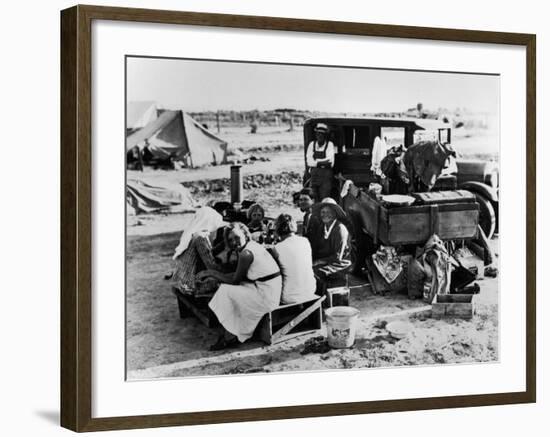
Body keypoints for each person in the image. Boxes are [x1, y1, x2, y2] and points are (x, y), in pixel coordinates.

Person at [199, 222, 282, 350]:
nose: (234, 242)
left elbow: (234, 280)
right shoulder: (252, 245)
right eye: (230, 240)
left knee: (225, 290)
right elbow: (241, 275)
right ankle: (233, 330)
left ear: (245, 234)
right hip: (267, 288)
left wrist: (210, 273)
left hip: (267, 295)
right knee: (229, 288)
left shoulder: (246, 254)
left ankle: (230, 336)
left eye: (237, 237)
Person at [171, 207, 228, 295]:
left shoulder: (193, 233)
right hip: (189, 285)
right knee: (226, 285)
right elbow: (211, 266)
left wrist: (223, 243)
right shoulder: (201, 237)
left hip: (180, 280)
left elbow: (207, 252)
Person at [271, 214, 317, 304]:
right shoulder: (305, 241)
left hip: (290, 297)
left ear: (277, 230)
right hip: (310, 291)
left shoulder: (277, 248)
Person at [312, 198, 352, 283]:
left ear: (335, 214)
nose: (325, 215)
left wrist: (319, 261)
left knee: (315, 273)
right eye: (323, 212)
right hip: (326, 261)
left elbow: (338, 257)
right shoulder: (321, 227)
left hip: (340, 264)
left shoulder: (339, 229)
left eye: (328, 212)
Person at [306, 123, 335, 201]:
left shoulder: (330, 145)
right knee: (312, 198)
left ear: (325, 135)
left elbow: (330, 162)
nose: (320, 136)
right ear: (316, 135)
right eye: (318, 133)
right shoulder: (312, 144)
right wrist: (321, 163)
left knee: (324, 199)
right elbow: (309, 162)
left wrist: (315, 163)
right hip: (314, 176)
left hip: (325, 177)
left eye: (322, 134)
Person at [297, 187, 322, 257]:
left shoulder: (317, 216)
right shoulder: (306, 216)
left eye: (305, 199)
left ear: (313, 201)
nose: (302, 202)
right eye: (301, 200)